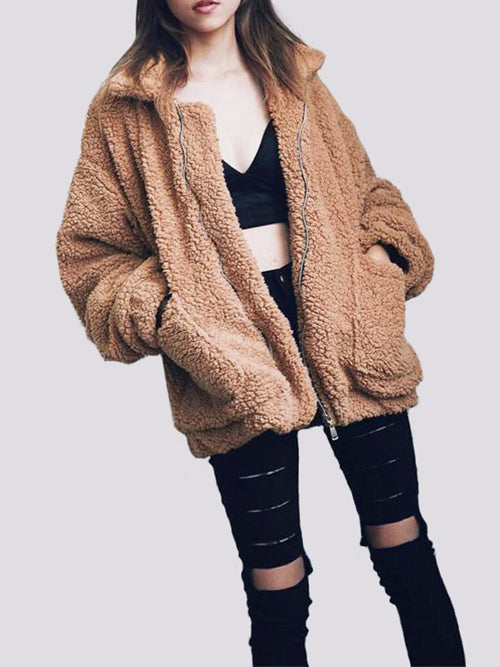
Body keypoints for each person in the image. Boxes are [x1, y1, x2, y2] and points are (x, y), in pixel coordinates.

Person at [56, 1, 466, 665]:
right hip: (231, 352)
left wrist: (382, 262)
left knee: (406, 552)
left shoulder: (296, 78)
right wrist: (174, 317)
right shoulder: (127, 107)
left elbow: (371, 194)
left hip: (347, 335)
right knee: (277, 587)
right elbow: (90, 257)